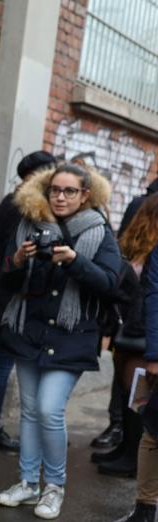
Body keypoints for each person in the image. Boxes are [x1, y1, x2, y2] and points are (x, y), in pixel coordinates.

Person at [0, 163, 120, 519]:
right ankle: (29, 483)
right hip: (29, 330)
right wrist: (16, 260)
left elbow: (111, 284)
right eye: (55, 190)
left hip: (71, 336)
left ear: (85, 195)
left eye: (69, 191)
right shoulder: (28, 224)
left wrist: (75, 261)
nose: (61, 197)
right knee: (31, 411)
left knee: (49, 410)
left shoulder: (99, 231)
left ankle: (54, 487)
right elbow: (5, 281)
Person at [0, 151, 56, 451]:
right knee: (1, 363)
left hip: (4, 295)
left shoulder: (13, 201)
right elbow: (14, 254)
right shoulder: (19, 205)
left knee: (2, 362)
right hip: (10, 299)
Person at [91, 177, 158, 454]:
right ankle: (126, 446)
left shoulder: (140, 248)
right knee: (130, 390)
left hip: (138, 331)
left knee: (137, 393)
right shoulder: (142, 249)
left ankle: (129, 451)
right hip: (132, 328)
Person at [110, 195, 158, 522]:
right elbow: (153, 298)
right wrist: (154, 353)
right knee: (153, 430)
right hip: (149, 343)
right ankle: (145, 505)